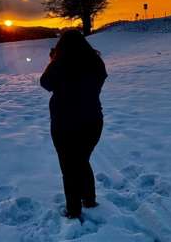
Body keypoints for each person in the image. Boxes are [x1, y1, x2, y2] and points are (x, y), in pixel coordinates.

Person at [40, 30, 107, 221]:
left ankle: (74, 210)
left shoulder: (60, 63)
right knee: (81, 161)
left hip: (64, 122)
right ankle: (89, 200)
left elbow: (45, 83)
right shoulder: (96, 62)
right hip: (93, 121)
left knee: (69, 167)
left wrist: (54, 60)